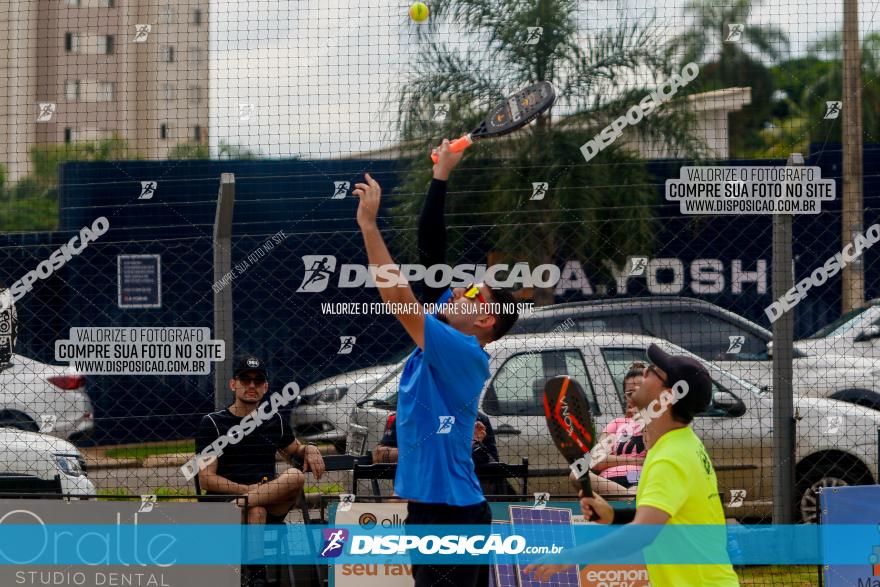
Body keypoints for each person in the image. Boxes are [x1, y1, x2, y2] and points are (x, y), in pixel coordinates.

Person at [351, 140, 520, 587]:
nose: (458, 290)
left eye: (471, 293)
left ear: (484, 319)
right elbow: (432, 255)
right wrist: (441, 174)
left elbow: (399, 297)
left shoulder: (461, 351)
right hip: (434, 509)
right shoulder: (450, 330)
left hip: (453, 514)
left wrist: (369, 226)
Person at [526, 344, 739, 586]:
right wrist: (613, 514)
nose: (645, 372)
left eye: (654, 371)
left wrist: (573, 555)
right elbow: (664, 517)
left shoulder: (670, 457)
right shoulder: (679, 443)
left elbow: (641, 534)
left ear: (667, 396)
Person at [194, 355, 326, 587]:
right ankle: (257, 578)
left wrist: (311, 448)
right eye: (245, 380)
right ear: (233, 384)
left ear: (265, 388)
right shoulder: (213, 423)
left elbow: (297, 449)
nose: (251, 386)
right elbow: (206, 479)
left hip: (267, 501)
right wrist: (247, 491)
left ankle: (255, 576)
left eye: (258, 381)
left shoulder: (273, 420)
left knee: (294, 476)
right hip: (225, 507)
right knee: (256, 510)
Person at [373, 411, 515, 495]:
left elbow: (494, 467)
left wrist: (472, 447)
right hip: (416, 493)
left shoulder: (476, 418)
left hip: (466, 495)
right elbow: (379, 456)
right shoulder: (403, 416)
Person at [587, 361, 648, 496]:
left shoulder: (656, 420)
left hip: (639, 479)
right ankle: (626, 499)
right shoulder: (617, 423)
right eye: (630, 393)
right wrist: (637, 461)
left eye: (639, 392)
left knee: (635, 489)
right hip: (607, 482)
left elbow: (654, 458)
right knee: (576, 475)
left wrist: (642, 418)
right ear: (625, 397)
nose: (634, 397)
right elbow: (596, 460)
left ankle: (626, 500)